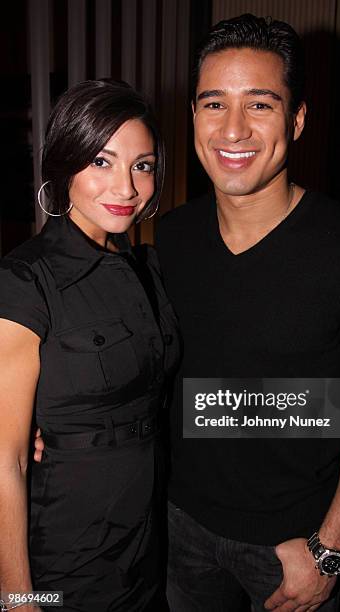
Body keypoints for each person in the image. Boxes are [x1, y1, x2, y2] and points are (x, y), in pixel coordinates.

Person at [154, 14, 340, 612]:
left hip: (293, 542)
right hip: (177, 526)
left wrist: (331, 547)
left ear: (296, 120)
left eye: (261, 104)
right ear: (193, 115)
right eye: (214, 103)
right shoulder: (172, 238)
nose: (234, 129)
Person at [0, 79, 179, 611]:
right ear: (63, 166)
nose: (126, 187)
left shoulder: (146, 268)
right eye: (102, 161)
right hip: (68, 551)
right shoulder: (25, 280)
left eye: (142, 165)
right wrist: (18, 598)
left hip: (148, 540)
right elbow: (3, 460)